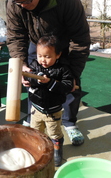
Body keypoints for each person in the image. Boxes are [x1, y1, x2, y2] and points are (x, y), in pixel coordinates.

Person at [6, 0, 91, 146]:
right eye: (18, 2)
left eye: (27, 1)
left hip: (62, 43)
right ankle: (34, 116)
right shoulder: (16, 2)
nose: (22, 5)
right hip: (35, 43)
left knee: (68, 84)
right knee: (33, 80)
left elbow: (80, 39)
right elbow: (15, 35)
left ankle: (69, 122)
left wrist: (73, 75)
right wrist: (21, 64)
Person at [25, 35, 74, 167]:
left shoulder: (63, 69)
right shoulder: (35, 64)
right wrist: (33, 79)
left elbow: (68, 86)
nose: (43, 60)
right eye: (40, 55)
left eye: (47, 56)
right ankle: (37, 147)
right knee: (35, 130)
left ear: (58, 55)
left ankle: (57, 148)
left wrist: (51, 82)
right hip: (36, 108)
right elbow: (29, 78)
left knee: (54, 132)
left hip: (53, 111)